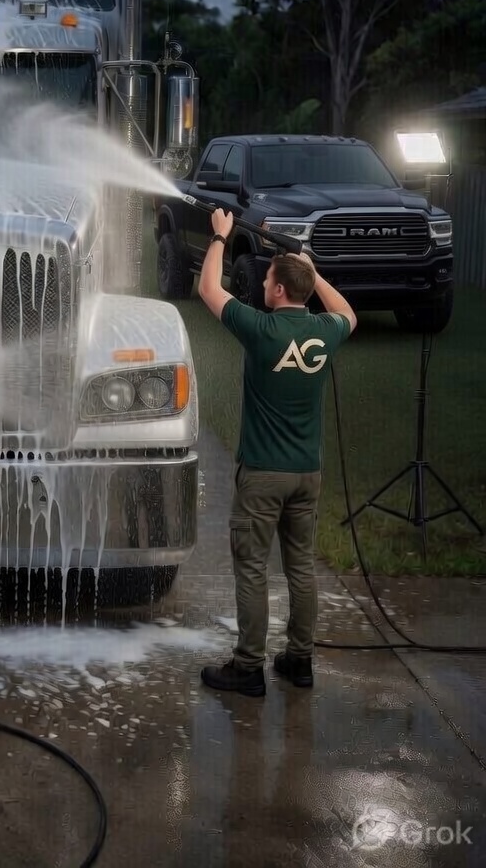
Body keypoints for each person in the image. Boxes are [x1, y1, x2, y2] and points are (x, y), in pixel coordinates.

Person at [197, 209, 356, 697]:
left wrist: (221, 237)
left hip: (264, 475)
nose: (264, 283)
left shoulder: (263, 330)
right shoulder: (325, 332)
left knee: (252, 567)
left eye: (269, 277)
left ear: (279, 291)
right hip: (307, 474)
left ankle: (248, 667)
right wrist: (312, 270)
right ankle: (300, 661)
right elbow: (348, 313)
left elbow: (208, 290)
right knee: (301, 566)